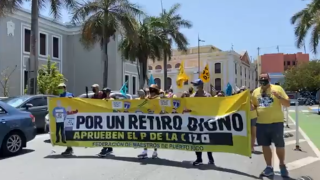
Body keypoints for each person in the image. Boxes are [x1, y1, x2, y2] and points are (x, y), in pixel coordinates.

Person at [251, 74, 290, 177]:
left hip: (276, 123)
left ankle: (282, 164)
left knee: (279, 145)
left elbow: (287, 103)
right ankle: (269, 167)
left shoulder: (278, 88)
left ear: (269, 80)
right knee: (265, 145)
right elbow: (254, 105)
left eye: (265, 79)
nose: (263, 81)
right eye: (261, 80)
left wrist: (279, 97)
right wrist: (250, 106)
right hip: (261, 123)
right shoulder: (255, 92)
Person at [190, 79, 214, 166]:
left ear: (201, 86)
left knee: (208, 140)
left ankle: (210, 158)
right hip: (196, 122)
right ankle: (199, 158)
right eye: (194, 85)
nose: (195, 87)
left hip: (206, 122)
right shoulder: (192, 97)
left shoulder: (208, 96)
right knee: (197, 141)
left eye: (196, 85)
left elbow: (212, 107)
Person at [137, 84, 160, 159]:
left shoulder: (158, 99)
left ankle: (155, 151)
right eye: (151, 90)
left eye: (153, 90)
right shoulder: (147, 98)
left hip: (155, 120)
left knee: (154, 136)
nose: (152, 92)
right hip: (146, 120)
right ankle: (145, 151)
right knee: (145, 135)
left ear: (156, 91)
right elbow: (140, 104)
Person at [56, 83, 75, 156]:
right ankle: (69, 148)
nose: (60, 89)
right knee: (63, 132)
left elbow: (74, 102)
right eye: (59, 88)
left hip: (69, 116)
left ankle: (69, 148)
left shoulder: (69, 94)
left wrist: (71, 99)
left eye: (61, 88)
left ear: (65, 88)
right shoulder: (60, 96)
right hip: (62, 117)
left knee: (68, 132)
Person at [97, 87, 114, 157]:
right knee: (105, 134)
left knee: (107, 134)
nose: (105, 93)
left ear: (109, 93)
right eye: (105, 92)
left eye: (106, 92)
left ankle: (104, 149)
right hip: (104, 118)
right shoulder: (103, 100)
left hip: (110, 118)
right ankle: (109, 148)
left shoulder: (112, 99)